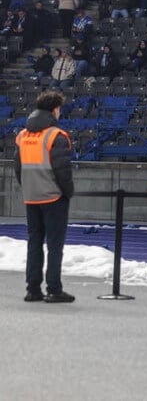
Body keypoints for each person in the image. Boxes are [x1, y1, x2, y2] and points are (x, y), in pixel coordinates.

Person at [14, 90, 75, 303]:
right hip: (53, 197)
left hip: (31, 197)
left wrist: (28, 188)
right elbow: (62, 171)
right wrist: (68, 193)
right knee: (55, 245)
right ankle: (54, 289)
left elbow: (18, 168)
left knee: (34, 242)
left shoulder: (23, 135)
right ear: (55, 110)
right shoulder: (56, 136)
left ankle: (33, 289)